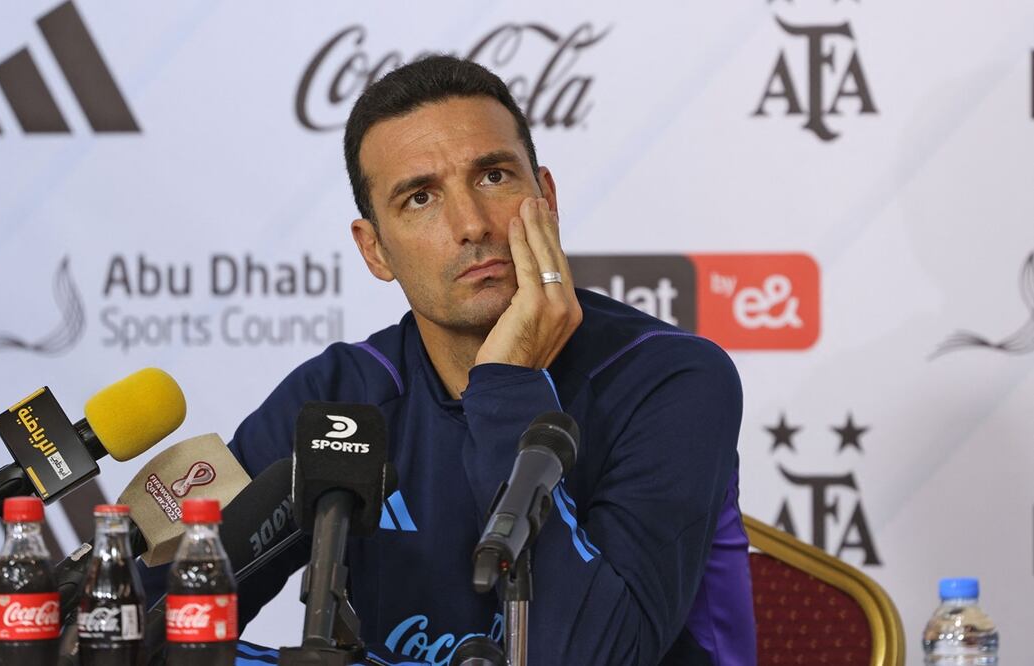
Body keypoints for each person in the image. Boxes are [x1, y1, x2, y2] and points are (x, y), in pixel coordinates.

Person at [227, 55, 756, 665]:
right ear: (375, 251)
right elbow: (165, 621)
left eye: (495, 177)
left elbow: (586, 658)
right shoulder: (340, 399)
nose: (471, 224)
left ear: (546, 197)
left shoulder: (671, 380)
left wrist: (506, 385)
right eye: (420, 197)